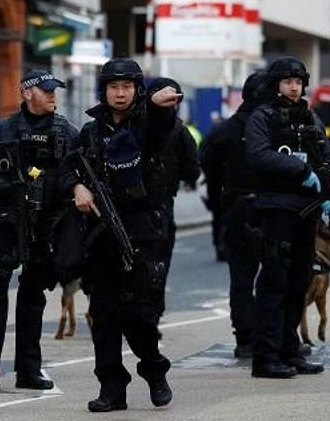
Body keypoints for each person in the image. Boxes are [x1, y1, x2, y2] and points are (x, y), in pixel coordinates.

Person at [61, 57, 180, 411]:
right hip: (100, 235)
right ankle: (112, 388)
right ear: (105, 90)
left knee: (139, 314)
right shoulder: (91, 132)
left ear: (136, 90)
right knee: (104, 315)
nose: (119, 93)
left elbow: (160, 128)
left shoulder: (146, 124)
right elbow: (69, 167)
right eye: (114, 87)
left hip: (141, 232)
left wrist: (159, 107)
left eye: (126, 87)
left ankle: (155, 371)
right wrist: (78, 188)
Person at [0, 69, 79, 393]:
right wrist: (1, 180)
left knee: (32, 300)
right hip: (7, 222)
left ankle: (29, 370)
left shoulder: (66, 131)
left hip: (45, 227)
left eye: (55, 90)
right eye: (46, 90)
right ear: (28, 93)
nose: (53, 95)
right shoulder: (4, 130)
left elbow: (81, 170)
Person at [245, 56, 330, 378]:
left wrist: (329, 195)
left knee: (299, 282)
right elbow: (258, 154)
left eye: (298, 82)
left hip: (307, 210)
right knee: (275, 282)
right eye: (287, 82)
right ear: (276, 85)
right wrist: (301, 171)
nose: (294, 87)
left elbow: (325, 157)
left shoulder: (309, 117)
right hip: (276, 208)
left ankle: (290, 351)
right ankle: (266, 357)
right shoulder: (263, 117)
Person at [200, 71, 269, 359]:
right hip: (270, 209)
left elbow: (207, 167)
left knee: (241, 278)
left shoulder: (223, 130)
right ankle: (270, 335)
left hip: (236, 208)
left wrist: (220, 206)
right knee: (274, 276)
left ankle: (245, 338)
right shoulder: (271, 128)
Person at [149, 77, 200, 283]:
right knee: (159, 265)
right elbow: (192, 171)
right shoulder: (180, 131)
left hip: (131, 206)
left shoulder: (131, 125)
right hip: (161, 204)